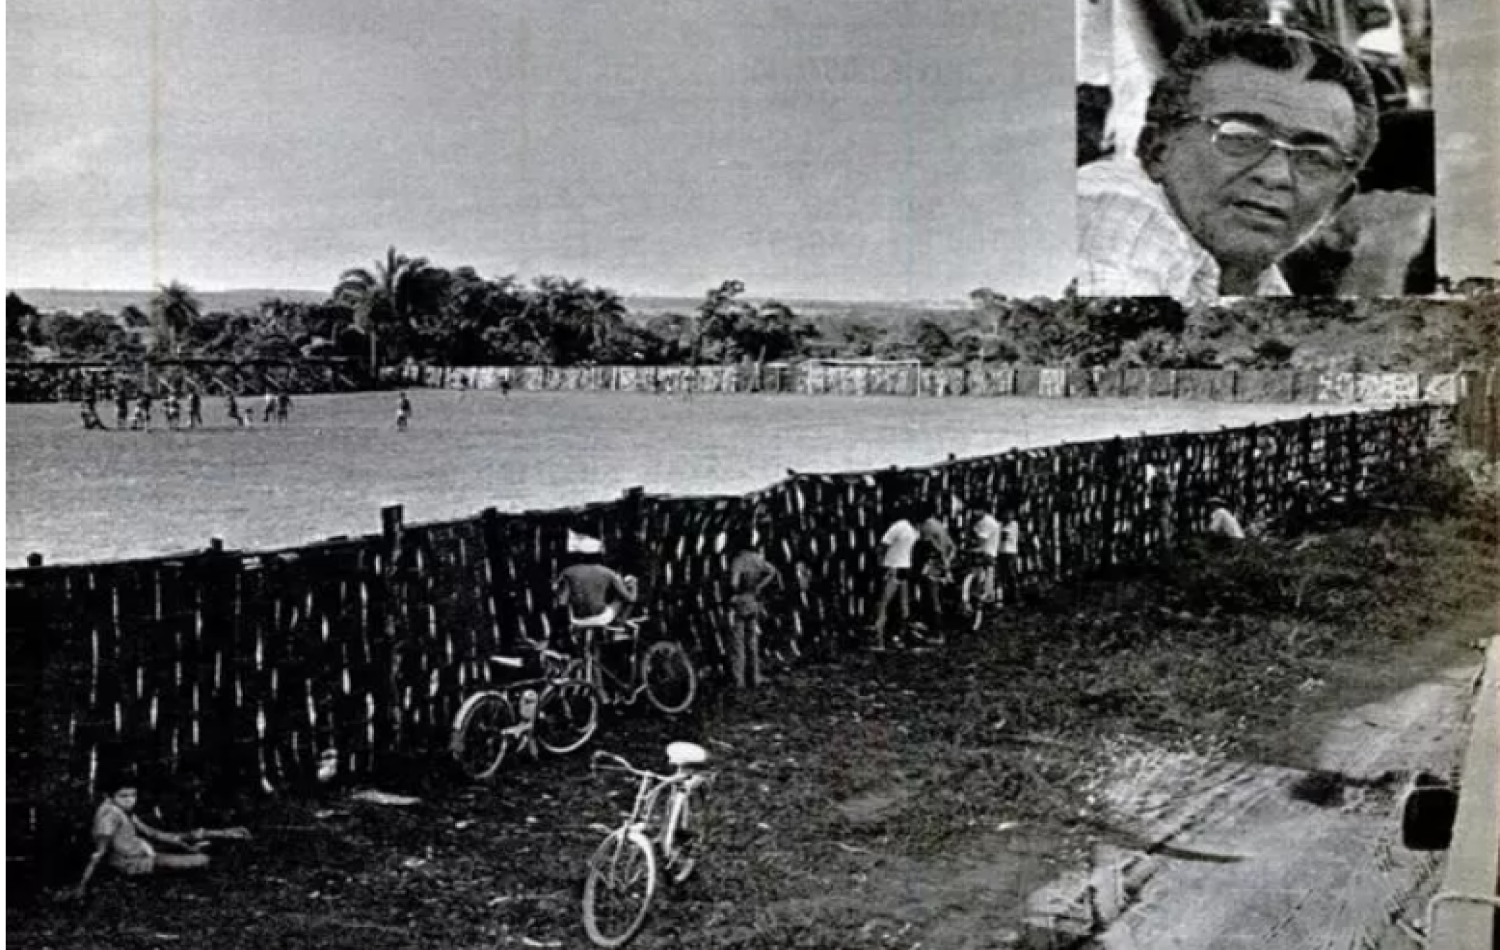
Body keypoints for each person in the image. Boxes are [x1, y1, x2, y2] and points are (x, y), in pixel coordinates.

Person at [1076, 20, 1428, 301]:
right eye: (1241, 137)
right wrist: (1381, 257)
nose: (1276, 176)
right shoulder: (1121, 205)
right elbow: (1113, 370)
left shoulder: (1262, 284)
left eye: (1314, 157)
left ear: (1335, 203)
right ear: (1155, 150)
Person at [74, 775, 209, 897]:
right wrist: (83, 884)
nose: (130, 800)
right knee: (201, 860)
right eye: (124, 796)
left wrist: (183, 841)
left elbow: (151, 832)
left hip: (141, 857)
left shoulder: (124, 811)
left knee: (198, 856)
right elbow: (99, 852)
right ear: (110, 796)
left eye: (133, 795)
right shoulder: (109, 814)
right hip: (130, 864)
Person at [725, 518, 783, 691]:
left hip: (740, 600)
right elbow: (772, 571)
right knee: (752, 641)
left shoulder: (738, 560)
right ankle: (755, 676)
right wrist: (759, 586)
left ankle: (739, 680)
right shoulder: (757, 558)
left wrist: (733, 593)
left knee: (738, 643)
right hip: (753, 599)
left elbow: (733, 583)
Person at [871, 504, 920, 650]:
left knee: (883, 604)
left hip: (893, 567)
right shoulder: (913, 530)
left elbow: (882, 546)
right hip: (905, 567)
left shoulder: (898, 526)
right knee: (903, 605)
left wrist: (879, 563)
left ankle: (879, 641)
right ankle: (900, 637)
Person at [912, 504, 956, 640]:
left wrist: (925, 566)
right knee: (935, 598)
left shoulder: (927, 527)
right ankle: (936, 630)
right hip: (941, 565)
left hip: (932, 566)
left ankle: (937, 633)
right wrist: (947, 565)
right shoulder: (938, 524)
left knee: (931, 599)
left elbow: (927, 547)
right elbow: (951, 546)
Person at [969, 502, 1002, 603]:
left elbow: (981, 540)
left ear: (983, 510)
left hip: (986, 552)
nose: (974, 512)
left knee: (982, 575)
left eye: (976, 510)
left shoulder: (986, 522)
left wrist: (971, 546)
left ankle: (984, 596)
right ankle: (986, 596)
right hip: (988, 551)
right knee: (987, 575)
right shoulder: (983, 520)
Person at [997, 504, 1023, 605]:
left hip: (1010, 553)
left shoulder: (1013, 524)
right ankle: (1001, 599)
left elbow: (1003, 536)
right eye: (1006, 513)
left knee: (1012, 575)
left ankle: (1017, 598)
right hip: (1001, 553)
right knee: (1001, 576)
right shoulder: (1000, 524)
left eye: (1010, 514)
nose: (1008, 516)